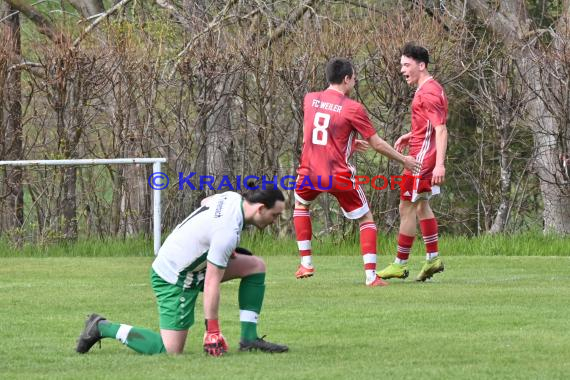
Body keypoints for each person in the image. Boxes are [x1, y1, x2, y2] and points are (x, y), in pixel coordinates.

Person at [76, 185, 288, 357]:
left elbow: (206, 203)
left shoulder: (232, 198)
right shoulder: (227, 232)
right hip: (174, 277)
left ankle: (249, 339)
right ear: (260, 208)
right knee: (170, 350)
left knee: (255, 266)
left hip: (189, 267)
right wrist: (212, 331)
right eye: (275, 215)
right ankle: (102, 327)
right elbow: (212, 282)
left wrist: (211, 242)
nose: (275, 221)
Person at [293, 57, 422, 286]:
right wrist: (404, 160)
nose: (355, 81)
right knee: (365, 219)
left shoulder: (310, 99)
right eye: (354, 78)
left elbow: (312, 135)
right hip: (337, 174)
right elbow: (376, 143)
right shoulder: (353, 108)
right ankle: (371, 277)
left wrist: (348, 144)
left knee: (301, 205)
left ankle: (306, 263)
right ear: (346, 79)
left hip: (309, 171)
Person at [378, 43, 448, 282]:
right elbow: (428, 124)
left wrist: (439, 164)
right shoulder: (428, 88)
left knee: (406, 207)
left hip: (421, 160)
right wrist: (412, 135)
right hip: (421, 153)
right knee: (420, 206)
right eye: (401, 65)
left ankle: (400, 264)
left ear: (422, 65)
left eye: (406, 65)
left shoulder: (428, 92)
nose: (402, 70)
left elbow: (441, 129)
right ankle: (433, 259)